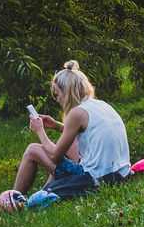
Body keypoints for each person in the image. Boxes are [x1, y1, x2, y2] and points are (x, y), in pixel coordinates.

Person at [14, 59, 131, 197]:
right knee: (69, 147)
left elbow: (54, 156)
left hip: (95, 180)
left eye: (57, 94)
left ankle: (12, 198)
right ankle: (45, 191)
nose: (57, 100)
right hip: (121, 174)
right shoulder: (100, 105)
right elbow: (86, 133)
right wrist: (56, 125)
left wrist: (39, 130)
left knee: (32, 150)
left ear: (67, 93)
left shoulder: (77, 113)